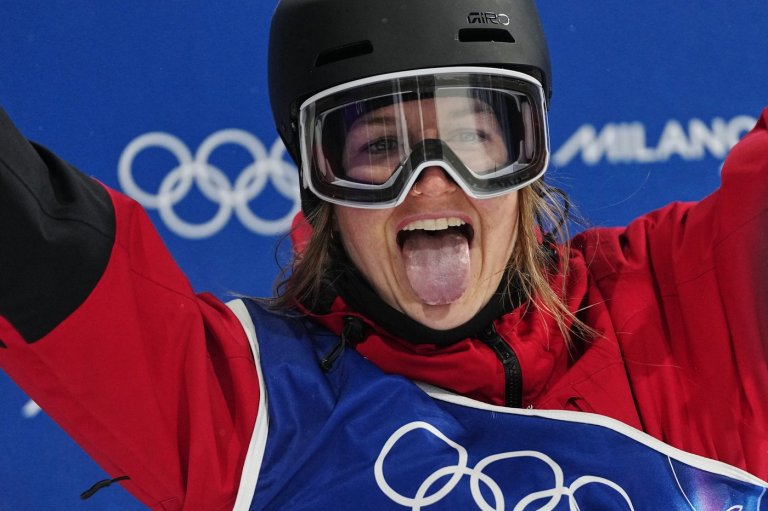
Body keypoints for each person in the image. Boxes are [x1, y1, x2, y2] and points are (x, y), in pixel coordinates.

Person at [1, 0, 767, 509]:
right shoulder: (252, 412)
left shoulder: (696, 305)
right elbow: (35, 244)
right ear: (321, 184)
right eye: (377, 148)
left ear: (526, 155)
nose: (431, 181)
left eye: (472, 135)